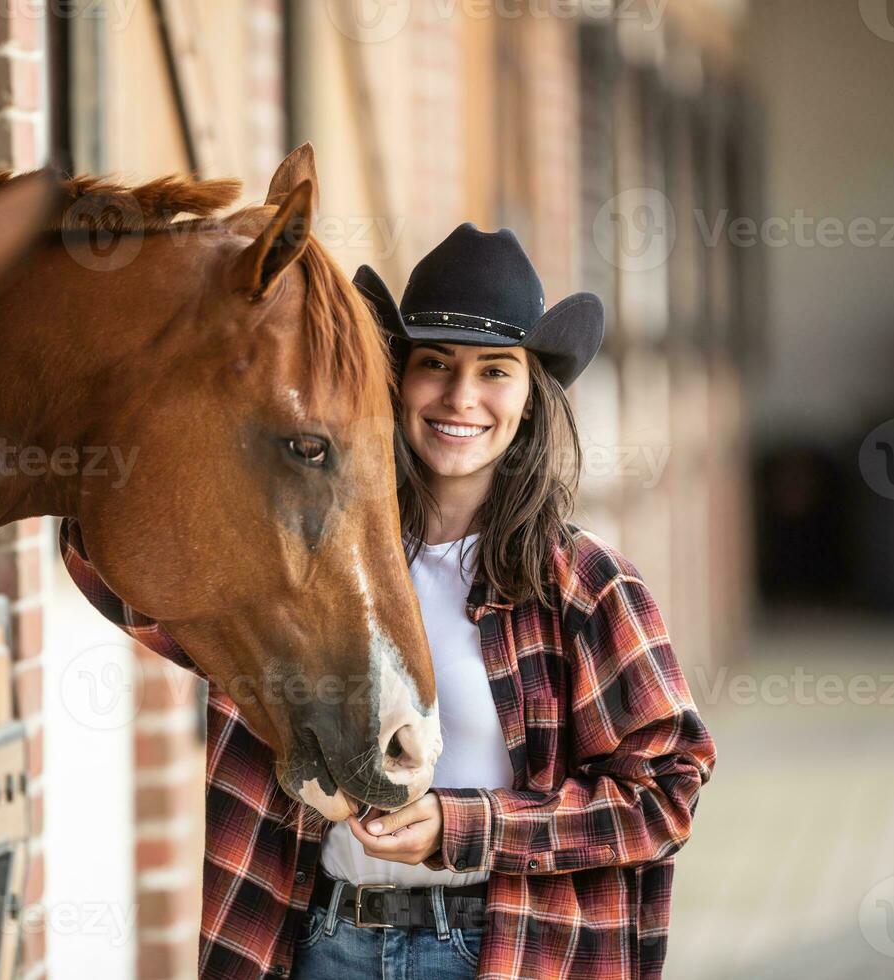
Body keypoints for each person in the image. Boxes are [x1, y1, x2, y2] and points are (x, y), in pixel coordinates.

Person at [58, 223, 717, 980]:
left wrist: (463, 826)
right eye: (434, 363)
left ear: (532, 399)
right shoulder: (304, 563)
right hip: (319, 942)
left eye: (495, 371)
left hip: (496, 953)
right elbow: (115, 576)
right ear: (395, 379)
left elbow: (666, 792)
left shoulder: (586, 584)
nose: (461, 397)